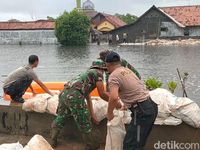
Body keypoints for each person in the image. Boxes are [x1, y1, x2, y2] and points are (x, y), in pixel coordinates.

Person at [50, 60, 109, 149]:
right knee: (84, 122)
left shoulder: (86, 75)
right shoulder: (98, 74)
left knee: (61, 117)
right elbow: (102, 94)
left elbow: (88, 97)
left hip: (64, 93)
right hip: (74, 96)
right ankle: (91, 146)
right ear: (102, 68)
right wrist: (114, 102)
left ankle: (52, 140)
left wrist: (92, 115)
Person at [105, 51, 158, 150]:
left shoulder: (113, 76)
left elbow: (113, 97)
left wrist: (109, 113)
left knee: (130, 145)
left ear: (108, 65)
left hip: (142, 112)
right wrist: (127, 104)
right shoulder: (127, 70)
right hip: (151, 106)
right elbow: (135, 88)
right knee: (138, 143)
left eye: (107, 67)